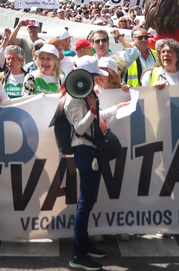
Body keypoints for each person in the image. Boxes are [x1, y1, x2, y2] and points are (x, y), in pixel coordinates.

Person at [62, 59, 129, 270]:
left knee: (87, 203)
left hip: (91, 151)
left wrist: (114, 108)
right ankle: (77, 254)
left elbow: (96, 119)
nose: (98, 78)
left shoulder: (84, 94)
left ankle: (84, 243)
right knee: (85, 204)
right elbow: (80, 129)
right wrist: (92, 109)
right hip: (85, 151)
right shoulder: (73, 98)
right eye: (95, 75)